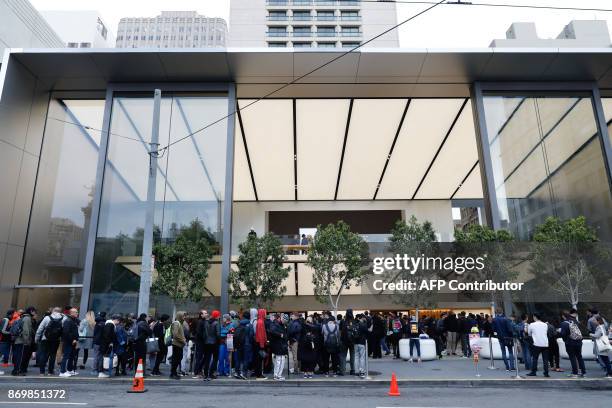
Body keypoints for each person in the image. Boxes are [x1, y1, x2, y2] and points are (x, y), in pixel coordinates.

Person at [35, 307, 63, 376]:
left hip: (45, 339)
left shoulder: (47, 318)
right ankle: (50, 372)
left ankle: (42, 372)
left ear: (53, 311)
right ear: (60, 311)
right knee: (53, 355)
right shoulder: (63, 319)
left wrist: (37, 338)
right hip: (56, 339)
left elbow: (40, 329)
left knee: (44, 354)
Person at [560, 310, 586, 378]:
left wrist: (565, 340)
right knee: (579, 356)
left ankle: (575, 373)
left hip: (570, 342)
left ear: (563, 316)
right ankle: (583, 372)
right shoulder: (575, 321)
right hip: (579, 341)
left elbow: (563, 334)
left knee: (572, 357)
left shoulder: (564, 323)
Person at [12, 306, 36, 376]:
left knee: (19, 356)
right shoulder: (27, 318)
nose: (35, 313)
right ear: (31, 311)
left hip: (19, 340)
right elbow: (26, 331)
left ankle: (16, 370)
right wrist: (27, 341)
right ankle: (17, 371)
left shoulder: (24, 317)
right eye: (34, 311)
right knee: (21, 357)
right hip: (22, 341)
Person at [526, 313, 549, 377]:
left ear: (535, 317)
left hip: (536, 343)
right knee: (545, 359)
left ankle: (533, 372)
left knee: (535, 358)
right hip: (545, 343)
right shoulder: (545, 324)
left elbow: (529, 333)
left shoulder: (532, 324)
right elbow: (546, 332)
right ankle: (546, 373)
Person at [59, 308, 79, 377]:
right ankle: (62, 371)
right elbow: (66, 332)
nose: (77, 313)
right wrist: (72, 339)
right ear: (71, 313)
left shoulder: (73, 320)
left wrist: (76, 339)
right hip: (68, 342)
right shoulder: (68, 321)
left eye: (77, 312)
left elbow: (74, 331)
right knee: (66, 356)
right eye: (76, 312)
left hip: (73, 342)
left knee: (71, 356)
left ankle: (69, 370)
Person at [97, 314, 119, 378]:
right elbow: (107, 335)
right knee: (102, 358)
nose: (118, 322)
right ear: (115, 320)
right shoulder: (110, 324)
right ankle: (100, 372)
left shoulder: (108, 324)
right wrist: (110, 342)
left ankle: (101, 372)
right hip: (105, 344)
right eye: (118, 321)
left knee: (102, 357)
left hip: (104, 344)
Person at [234, 311, 253, 380]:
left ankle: (237, 372)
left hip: (239, 343)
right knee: (246, 359)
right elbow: (251, 335)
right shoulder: (250, 325)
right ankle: (243, 373)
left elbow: (235, 334)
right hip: (247, 344)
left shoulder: (239, 323)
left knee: (238, 359)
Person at [269, 313, 288, 381]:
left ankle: (278, 375)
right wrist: (280, 335)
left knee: (281, 360)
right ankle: (277, 375)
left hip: (281, 345)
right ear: (280, 318)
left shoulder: (280, 324)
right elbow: (272, 331)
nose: (284, 321)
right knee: (279, 360)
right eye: (283, 319)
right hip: (279, 345)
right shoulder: (276, 324)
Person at [202, 310, 220, 381]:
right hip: (214, 343)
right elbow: (218, 334)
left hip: (206, 343)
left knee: (207, 358)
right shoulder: (216, 323)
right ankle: (211, 373)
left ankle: (206, 374)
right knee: (215, 358)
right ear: (217, 316)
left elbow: (204, 333)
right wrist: (219, 340)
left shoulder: (206, 322)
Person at [169, 311, 187, 380]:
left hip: (179, 344)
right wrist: (183, 340)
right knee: (176, 359)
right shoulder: (176, 323)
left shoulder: (180, 323)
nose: (184, 317)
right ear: (179, 316)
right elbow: (175, 334)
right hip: (177, 344)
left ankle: (174, 373)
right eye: (183, 316)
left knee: (178, 358)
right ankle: (172, 373)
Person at [339, 309, 356, 375]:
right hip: (352, 341)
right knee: (352, 355)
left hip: (344, 341)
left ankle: (342, 371)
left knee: (343, 356)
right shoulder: (354, 321)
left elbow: (340, 331)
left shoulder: (343, 321)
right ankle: (353, 370)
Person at [253, 309, 268, 379]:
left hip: (258, 343)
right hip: (259, 343)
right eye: (265, 313)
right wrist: (262, 345)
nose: (265, 314)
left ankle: (258, 373)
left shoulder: (259, 321)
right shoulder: (261, 322)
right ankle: (259, 375)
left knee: (258, 359)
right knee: (259, 359)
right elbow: (261, 335)